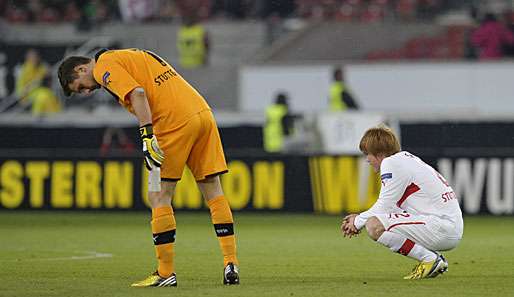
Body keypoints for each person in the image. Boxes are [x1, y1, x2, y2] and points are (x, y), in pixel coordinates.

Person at [57, 48, 239, 287]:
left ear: (80, 69)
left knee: (158, 194)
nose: (86, 91)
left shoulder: (103, 66)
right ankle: (230, 263)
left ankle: (165, 273)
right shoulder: (131, 55)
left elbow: (139, 93)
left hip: (172, 123)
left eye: (80, 86)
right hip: (202, 114)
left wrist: (147, 136)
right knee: (213, 189)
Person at [341, 125, 463, 279]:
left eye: (368, 154)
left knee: (374, 225)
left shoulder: (391, 163)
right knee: (380, 220)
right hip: (447, 226)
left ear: (379, 154)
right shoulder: (406, 159)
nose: (367, 160)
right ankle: (433, 258)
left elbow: (384, 206)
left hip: (441, 227)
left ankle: (430, 259)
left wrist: (357, 221)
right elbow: (392, 208)